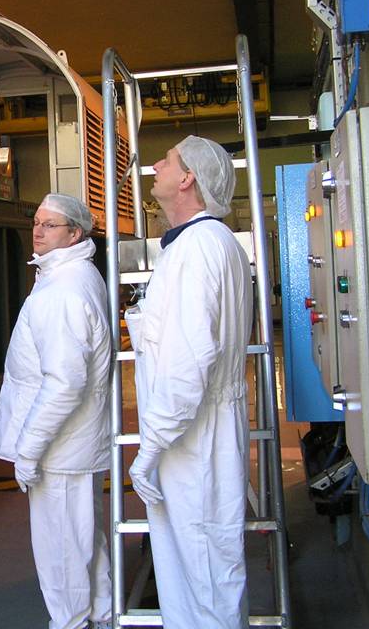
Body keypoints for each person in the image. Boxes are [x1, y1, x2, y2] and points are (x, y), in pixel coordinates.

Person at [125, 135, 253, 629]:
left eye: (167, 160)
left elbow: (187, 364)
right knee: (203, 569)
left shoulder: (198, 249)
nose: (155, 166)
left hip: (193, 438)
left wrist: (151, 448)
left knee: (203, 574)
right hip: (198, 431)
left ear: (187, 178)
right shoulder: (206, 244)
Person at [0, 193, 113, 629]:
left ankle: (72, 623)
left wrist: (30, 449)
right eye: (36, 221)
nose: (38, 230)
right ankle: (101, 614)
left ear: (75, 233)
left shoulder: (62, 293)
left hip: (61, 452)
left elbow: (64, 384)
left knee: (62, 551)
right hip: (75, 446)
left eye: (50, 224)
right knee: (84, 539)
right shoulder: (72, 276)